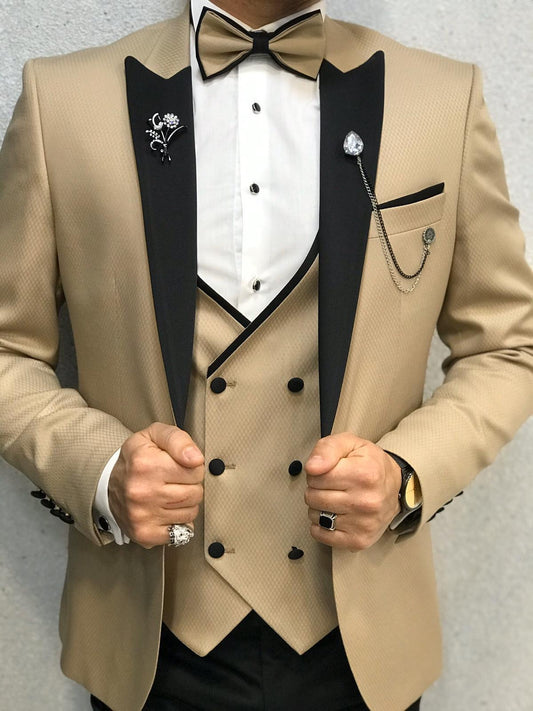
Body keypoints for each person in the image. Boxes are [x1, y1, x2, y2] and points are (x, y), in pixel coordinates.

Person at [0, 0, 532, 709]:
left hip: (361, 643)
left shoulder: (440, 98)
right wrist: (98, 468)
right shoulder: (65, 101)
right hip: (151, 641)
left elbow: (508, 343)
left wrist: (407, 474)